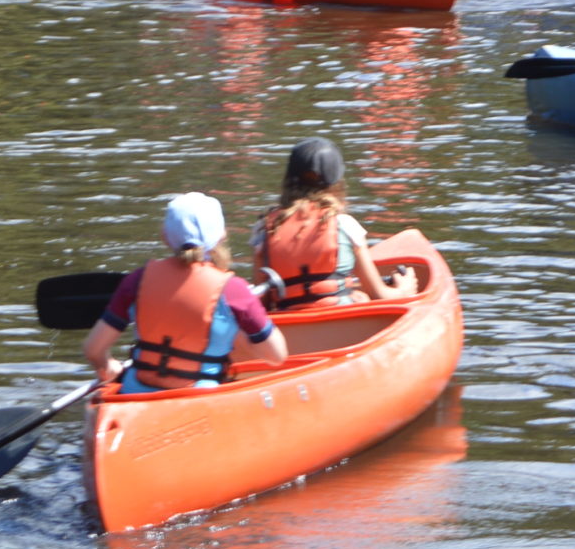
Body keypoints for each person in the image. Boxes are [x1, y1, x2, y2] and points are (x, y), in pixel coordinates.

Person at [83, 193, 287, 393]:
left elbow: (93, 350)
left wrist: (108, 368)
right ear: (222, 236)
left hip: (134, 394)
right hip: (199, 397)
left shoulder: (136, 281)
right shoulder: (234, 290)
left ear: (165, 237)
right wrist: (235, 331)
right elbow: (277, 355)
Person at [249, 138, 400, 309]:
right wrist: (405, 288)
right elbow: (378, 295)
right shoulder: (345, 224)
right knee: (362, 297)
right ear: (336, 181)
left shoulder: (264, 228)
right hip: (337, 315)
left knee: (359, 296)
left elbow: (262, 304)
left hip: (289, 320)